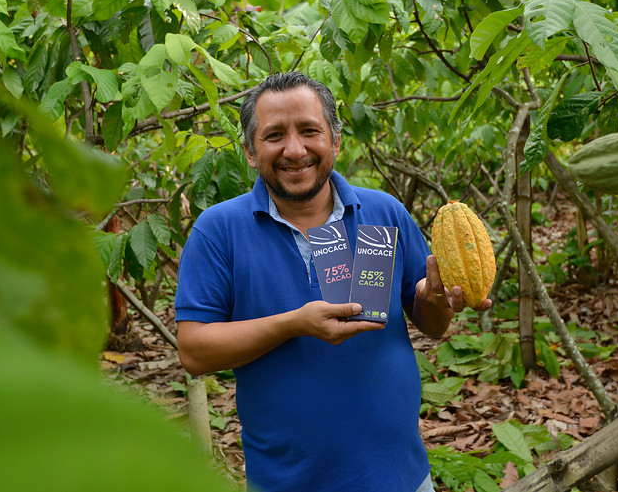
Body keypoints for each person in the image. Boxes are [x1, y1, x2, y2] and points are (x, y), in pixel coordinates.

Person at [175, 72, 491, 492]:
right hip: (286, 483)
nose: (294, 149)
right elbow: (194, 350)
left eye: (310, 131)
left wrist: (435, 298)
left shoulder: (384, 212)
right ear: (251, 152)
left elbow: (432, 321)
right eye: (274, 135)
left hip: (401, 478)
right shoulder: (218, 230)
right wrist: (294, 324)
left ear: (335, 141)